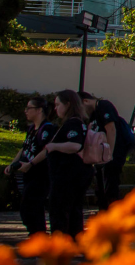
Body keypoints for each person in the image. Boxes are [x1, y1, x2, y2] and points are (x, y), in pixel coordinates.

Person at [35, 90, 92, 237]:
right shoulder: (76, 122)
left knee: (59, 210)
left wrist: (54, 146)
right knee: (73, 210)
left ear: (68, 105)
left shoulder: (73, 123)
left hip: (67, 176)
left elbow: (75, 145)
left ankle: (61, 241)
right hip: (71, 175)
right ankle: (73, 239)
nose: (56, 108)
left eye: (58, 104)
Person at [6, 97, 56, 236]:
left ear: (39, 110)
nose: (26, 111)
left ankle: (38, 234)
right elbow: (24, 148)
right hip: (29, 174)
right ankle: (35, 233)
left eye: (29, 108)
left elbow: (46, 150)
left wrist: (31, 164)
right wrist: (12, 164)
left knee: (31, 205)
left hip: (41, 174)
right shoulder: (31, 129)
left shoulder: (47, 129)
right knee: (28, 206)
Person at [82, 91, 135, 209]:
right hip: (101, 157)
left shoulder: (103, 106)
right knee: (101, 188)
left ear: (85, 101)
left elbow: (111, 129)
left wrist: (109, 153)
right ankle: (104, 212)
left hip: (113, 153)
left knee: (110, 186)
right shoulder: (93, 116)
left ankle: (113, 215)